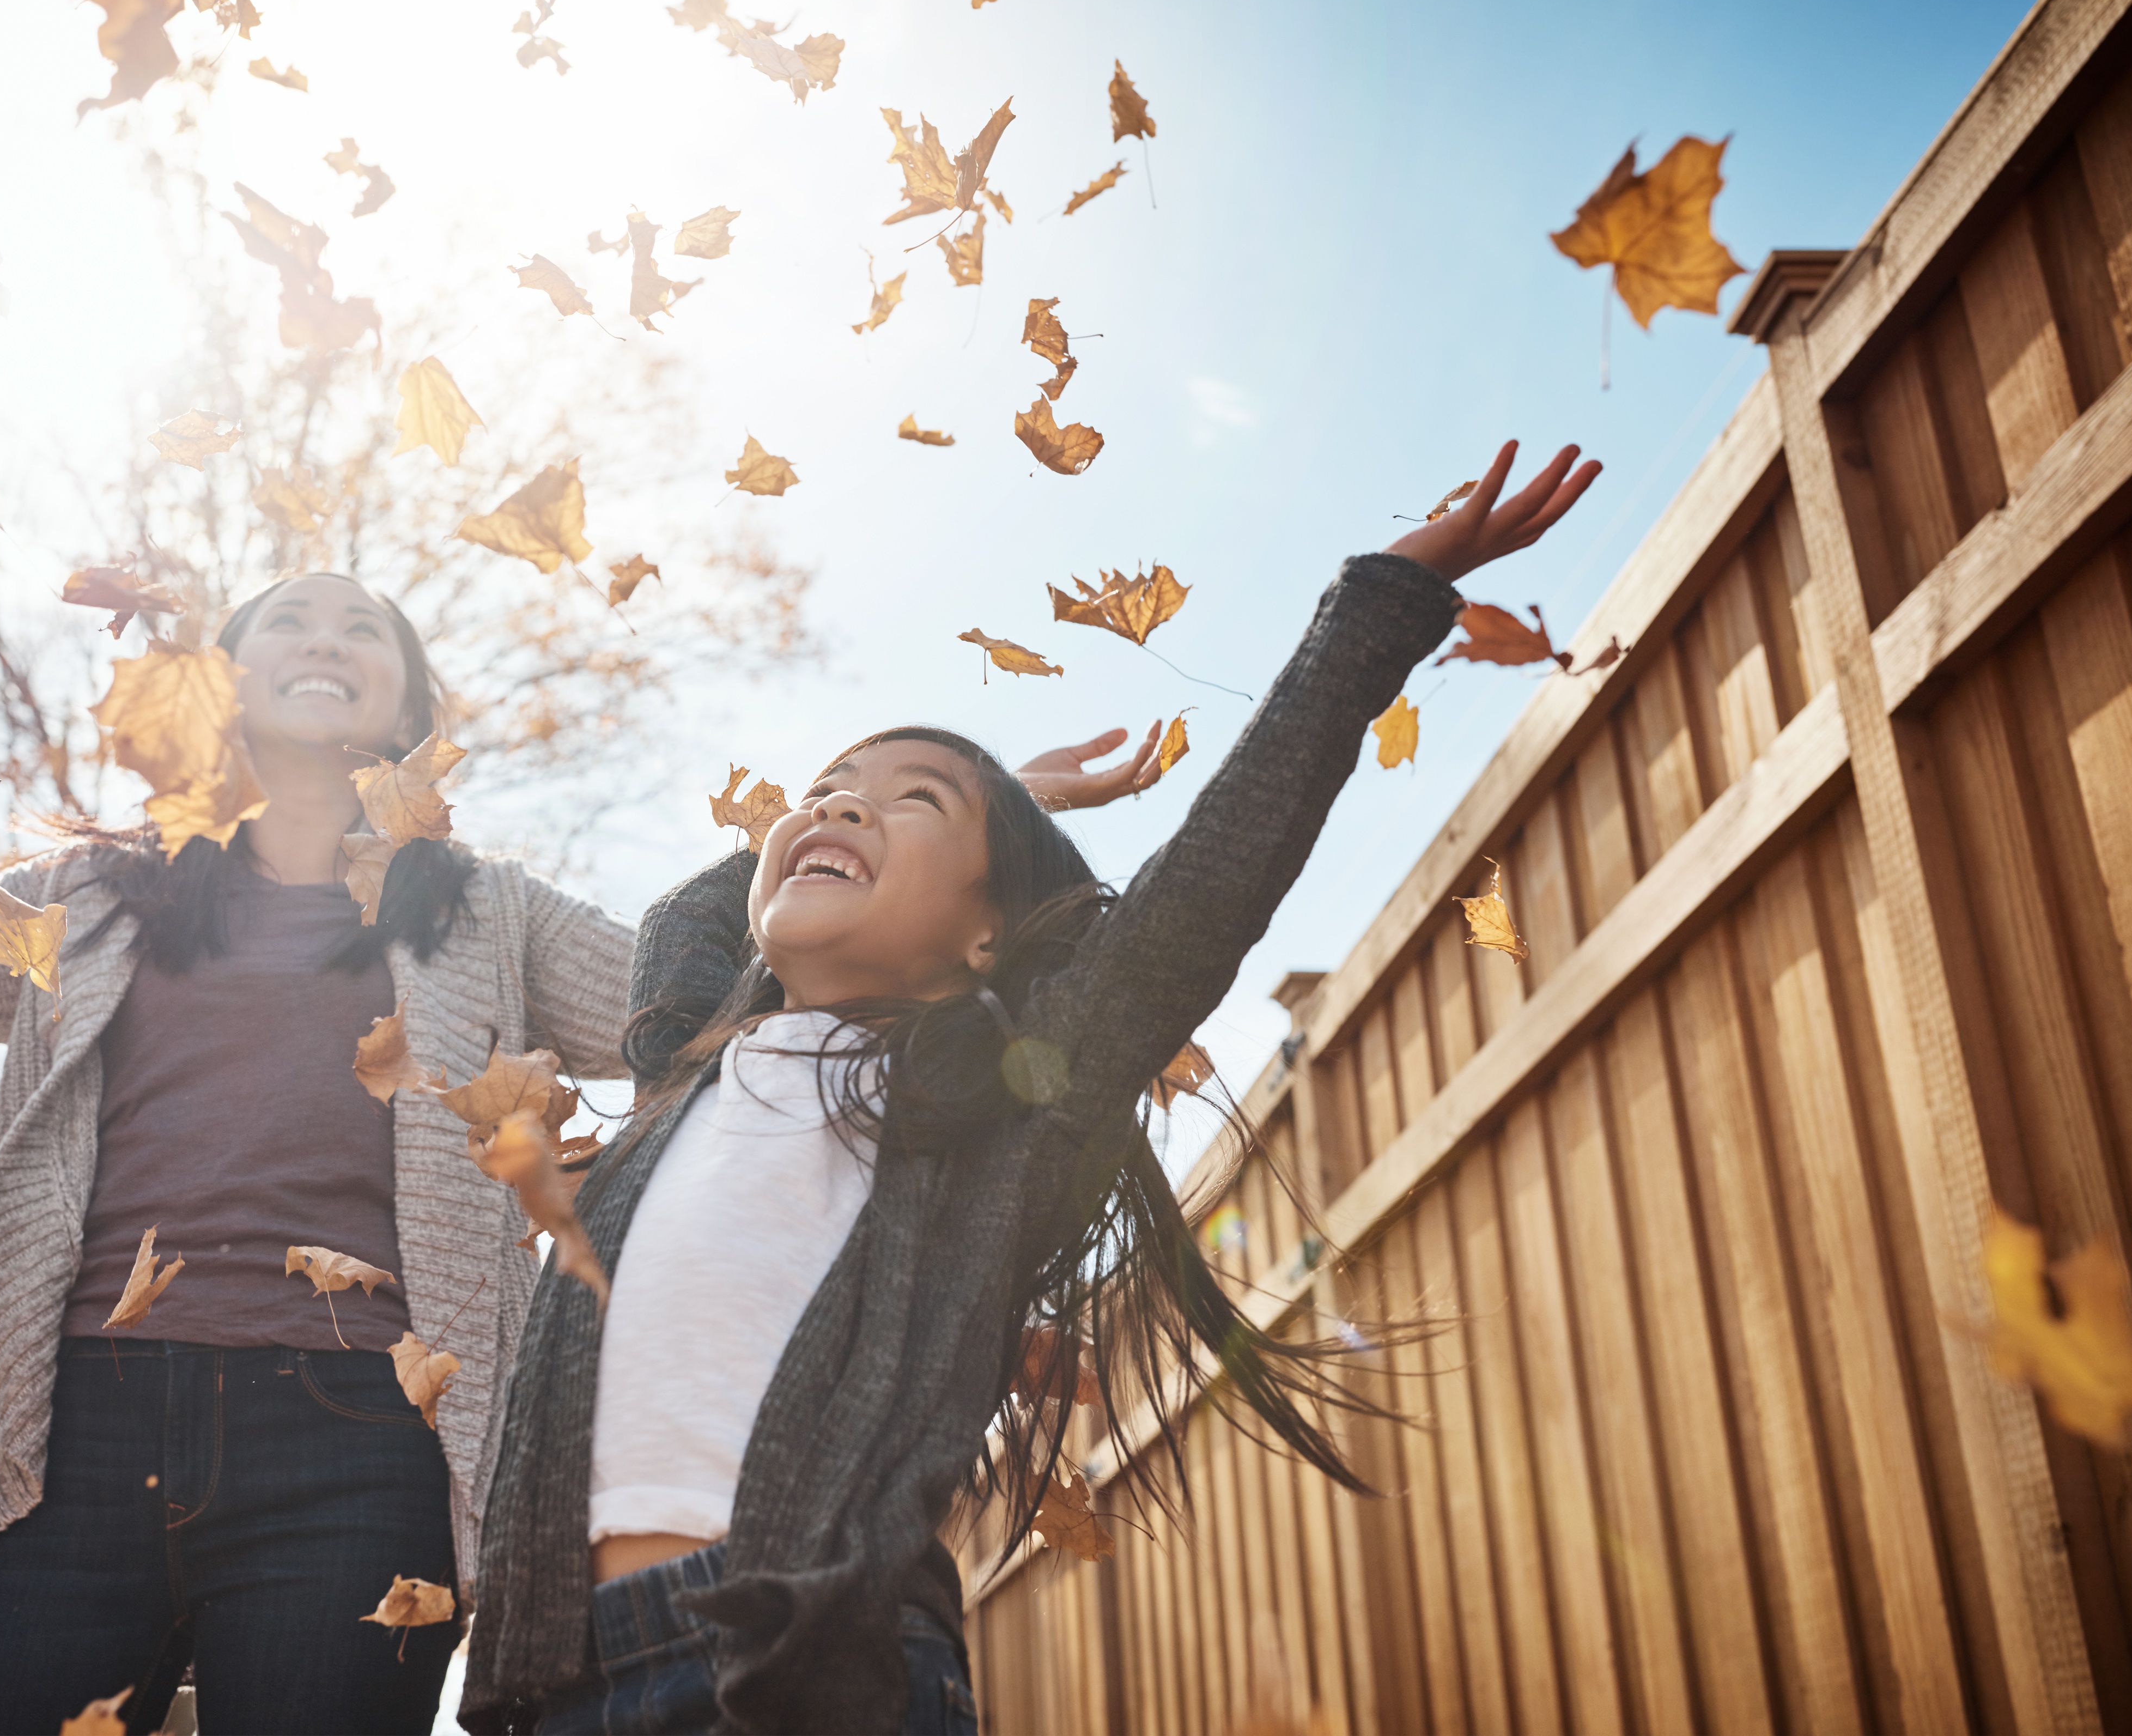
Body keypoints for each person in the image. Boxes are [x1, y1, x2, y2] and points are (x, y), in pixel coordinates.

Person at [0, 570, 1158, 1734]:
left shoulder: (478, 913)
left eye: (364, 628)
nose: (325, 636)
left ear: (405, 698)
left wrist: (978, 833)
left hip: (361, 1459)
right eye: (286, 621)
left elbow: (718, 999)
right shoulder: (89, 896)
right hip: (61, 1444)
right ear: (223, 684)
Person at [461, 441, 1602, 1736]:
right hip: (545, 1680)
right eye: (828, 789)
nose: (840, 805)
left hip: (810, 1656)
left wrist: (1380, 606)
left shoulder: (978, 1109)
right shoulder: (685, 1063)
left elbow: (1205, 887)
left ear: (988, 938)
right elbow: (691, 909)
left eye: (910, 802)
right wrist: (979, 802)